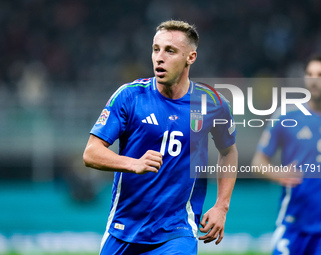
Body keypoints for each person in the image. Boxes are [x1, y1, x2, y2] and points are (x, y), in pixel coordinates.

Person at [83, 20, 238, 255]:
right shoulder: (130, 96)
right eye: (156, 49)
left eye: (170, 51)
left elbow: (228, 151)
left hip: (177, 231)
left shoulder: (212, 103)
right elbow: (91, 152)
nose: (159, 57)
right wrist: (133, 164)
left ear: (191, 57)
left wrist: (221, 206)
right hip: (124, 229)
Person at [252, 55, 321, 254]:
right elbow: (258, 161)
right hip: (293, 221)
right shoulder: (286, 116)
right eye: (309, 74)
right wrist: (278, 174)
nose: (314, 79)